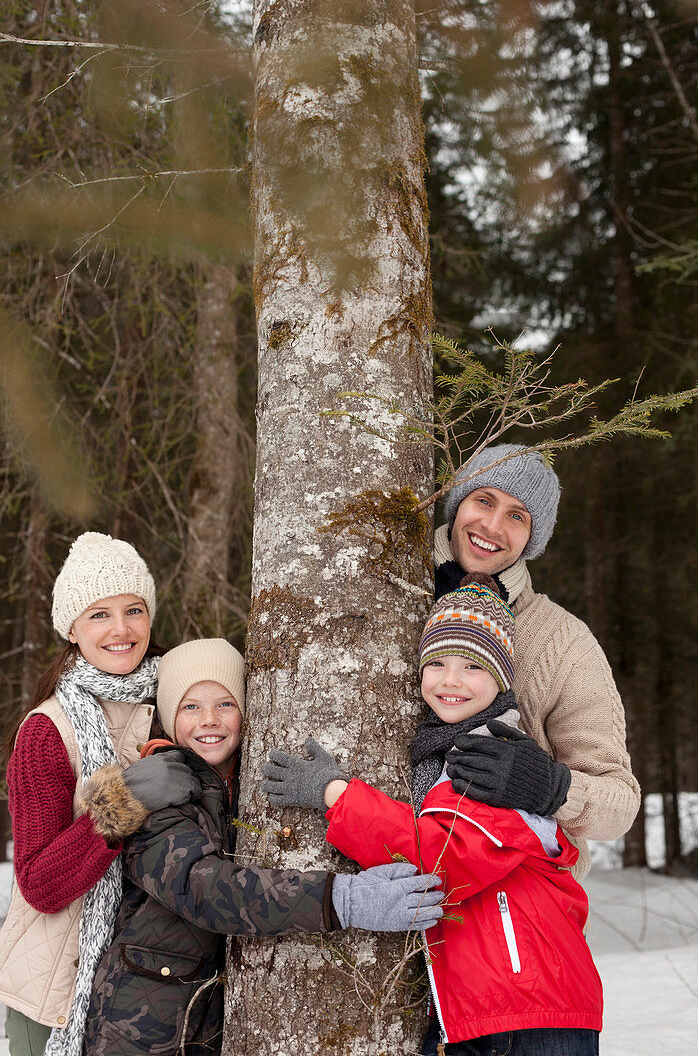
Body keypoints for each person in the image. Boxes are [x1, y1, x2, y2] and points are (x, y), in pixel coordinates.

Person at [262, 575, 603, 1055]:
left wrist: (336, 793)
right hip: (486, 1004)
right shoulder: (442, 755)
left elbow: (442, 858)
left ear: (502, 679)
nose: (450, 680)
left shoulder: (496, 759)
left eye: (472, 666)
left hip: (530, 1008)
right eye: (437, 663)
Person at [84, 638, 444, 1056]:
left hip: (200, 1024)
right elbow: (209, 890)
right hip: (136, 1029)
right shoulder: (155, 797)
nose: (209, 721)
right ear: (168, 716)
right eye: (190, 707)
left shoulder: (233, 791)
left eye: (225, 704)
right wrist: (346, 899)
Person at [0, 532, 200, 1056]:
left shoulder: (179, 700)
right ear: (72, 627)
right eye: (99, 614)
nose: (121, 629)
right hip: (57, 994)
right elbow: (40, 884)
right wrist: (124, 799)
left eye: (133, 609)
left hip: (148, 985)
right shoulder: (47, 731)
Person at [432, 443, 640, 878]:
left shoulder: (563, 641)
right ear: (457, 504)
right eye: (483, 500)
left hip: (511, 911)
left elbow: (620, 803)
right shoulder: (379, 588)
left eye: (516, 516)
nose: (492, 525)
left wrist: (550, 787)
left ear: (533, 537)